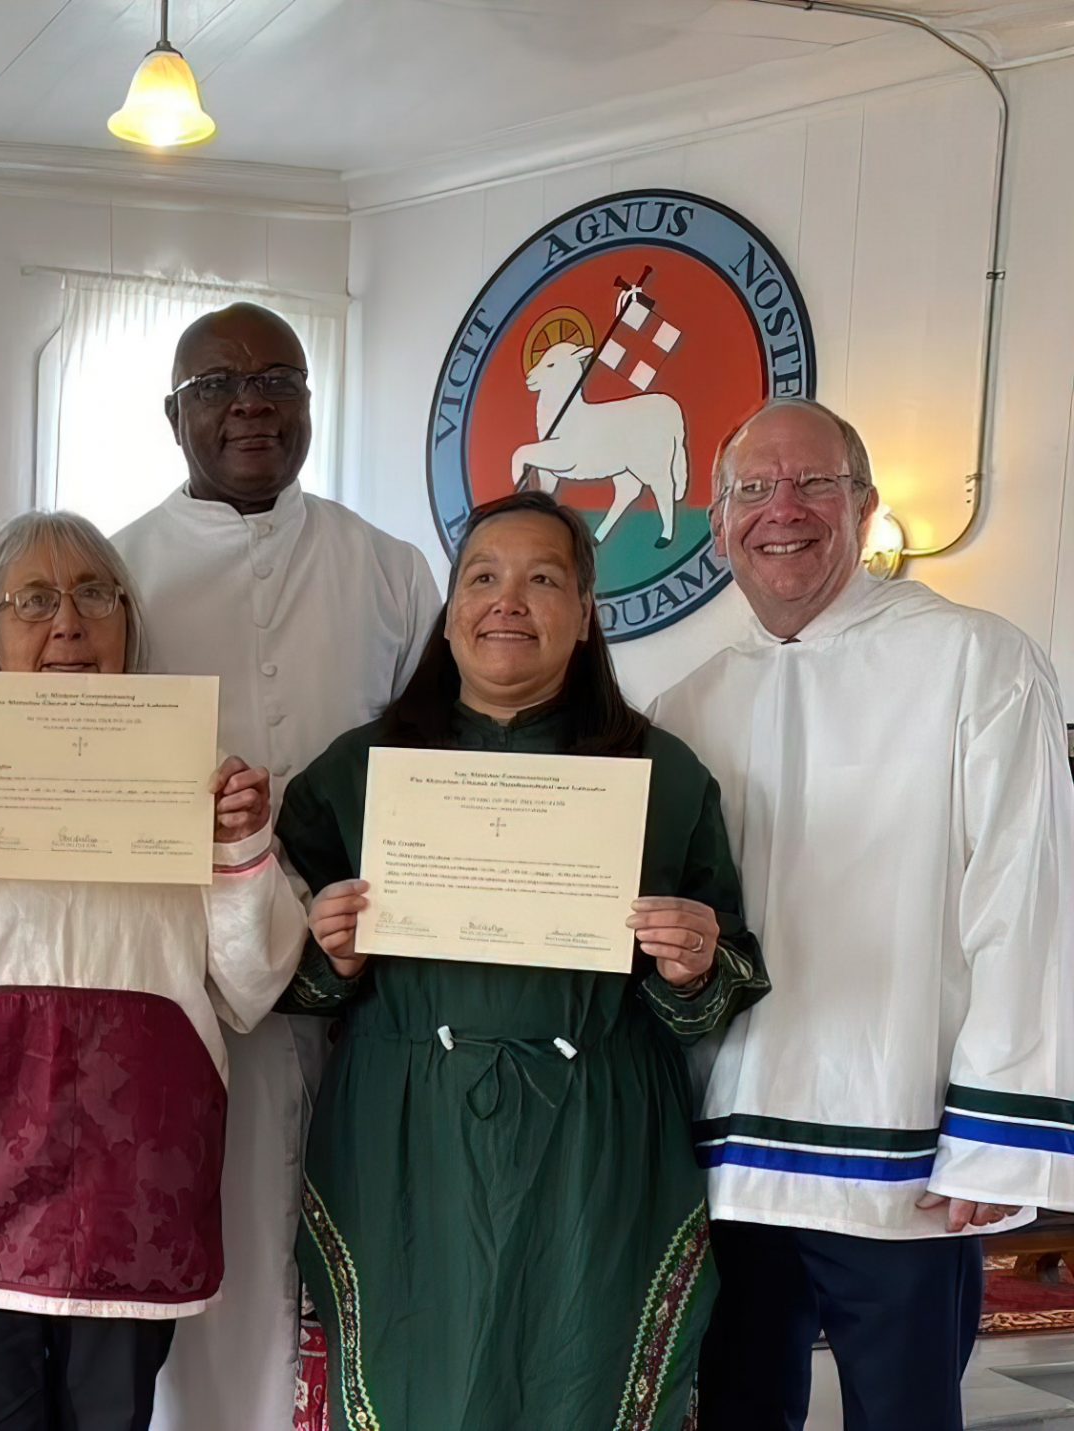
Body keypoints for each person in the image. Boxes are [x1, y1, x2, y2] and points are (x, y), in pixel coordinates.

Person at [0, 510, 306, 1431]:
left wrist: (241, 847)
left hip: (135, 1171)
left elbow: (250, 985)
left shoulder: (190, 764)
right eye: (34, 598)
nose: (67, 622)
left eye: (93, 596)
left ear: (128, 622)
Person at [276, 491, 767, 1430]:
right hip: (405, 1128)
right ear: (450, 612)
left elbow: (725, 965)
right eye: (483, 578)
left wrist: (692, 964)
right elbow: (269, 961)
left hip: (597, 1133)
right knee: (414, 1379)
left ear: (585, 617)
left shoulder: (663, 776)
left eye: (543, 579)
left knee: (580, 1376)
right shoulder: (359, 768)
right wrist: (326, 952)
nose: (509, 601)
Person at [651, 397, 1074, 1431]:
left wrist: (998, 1140)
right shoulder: (684, 705)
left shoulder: (976, 661)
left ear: (864, 505)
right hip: (727, 1167)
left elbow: (1025, 903)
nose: (780, 510)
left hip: (901, 1153)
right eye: (751, 490)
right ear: (717, 524)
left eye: (811, 484)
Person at [110, 301, 441, 1430]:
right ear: (172, 415)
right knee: (225, 1263)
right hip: (197, 997)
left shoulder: (389, 572)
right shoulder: (116, 579)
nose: (248, 401)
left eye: (276, 380)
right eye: (214, 385)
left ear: (308, 403)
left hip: (370, 984)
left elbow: (441, 758)